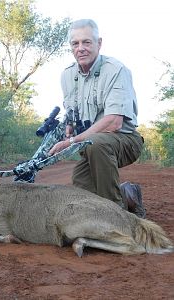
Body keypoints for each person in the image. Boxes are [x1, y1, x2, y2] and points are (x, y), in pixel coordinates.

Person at [48, 19, 146, 217]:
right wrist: (68, 128)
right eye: (75, 44)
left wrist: (72, 141)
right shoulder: (67, 76)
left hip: (124, 141)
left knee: (96, 144)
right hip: (92, 144)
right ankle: (128, 194)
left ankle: (117, 217)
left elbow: (114, 122)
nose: (81, 48)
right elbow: (71, 112)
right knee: (81, 184)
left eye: (87, 42)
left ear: (99, 43)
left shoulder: (116, 70)